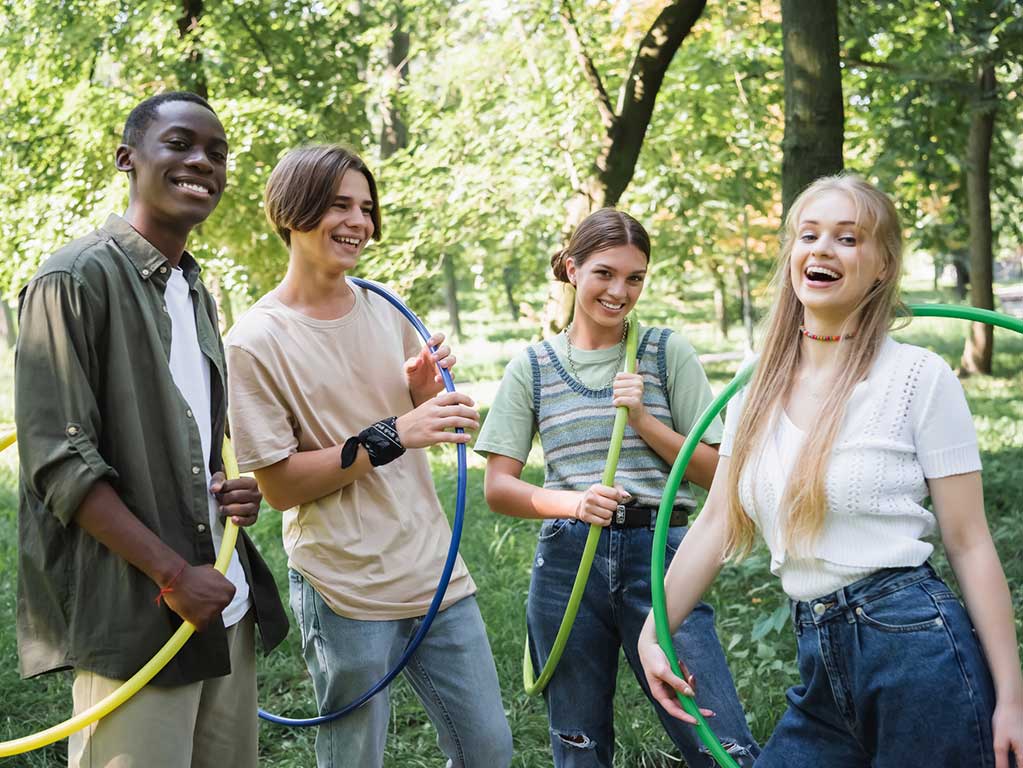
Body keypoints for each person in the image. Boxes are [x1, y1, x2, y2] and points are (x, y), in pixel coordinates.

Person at [638, 175, 1023, 768]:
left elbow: (970, 543)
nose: (822, 249)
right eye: (809, 234)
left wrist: (1011, 696)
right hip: (820, 661)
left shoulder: (918, 377)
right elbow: (715, 522)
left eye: (848, 238)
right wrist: (653, 632)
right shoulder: (754, 384)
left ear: (882, 265)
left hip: (917, 652)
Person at [14, 91, 289, 768]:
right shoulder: (73, 278)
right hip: (140, 612)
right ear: (127, 158)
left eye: (217, 153)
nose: (202, 162)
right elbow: (59, 461)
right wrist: (172, 576)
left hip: (221, 604)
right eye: (180, 144)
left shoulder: (194, 291)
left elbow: (190, 437)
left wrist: (227, 487)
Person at [225, 144, 513, 768]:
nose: (358, 222)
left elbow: (410, 419)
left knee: (489, 749)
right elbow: (279, 487)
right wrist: (394, 432)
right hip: (343, 585)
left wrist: (424, 391)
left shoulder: (385, 304)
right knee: (354, 759)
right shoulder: (253, 341)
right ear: (291, 211)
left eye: (366, 207)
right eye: (339, 205)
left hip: (433, 567)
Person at [475, 208, 759, 767]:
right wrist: (575, 503)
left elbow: (717, 474)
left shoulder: (665, 352)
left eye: (634, 278)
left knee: (719, 739)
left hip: (660, 555)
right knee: (577, 743)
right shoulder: (532, 367)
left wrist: (646, 421)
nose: (619, 291)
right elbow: (498, 489)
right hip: (568, 559)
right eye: (604, 273)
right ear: (572, 269)